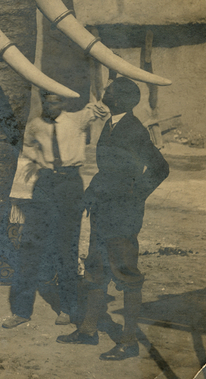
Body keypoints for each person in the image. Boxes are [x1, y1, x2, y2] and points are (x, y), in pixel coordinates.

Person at [57, 77, 169, 361]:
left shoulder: (133, 129)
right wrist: (92, 193)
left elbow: (160, 167)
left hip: (122, 216)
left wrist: (134, 197)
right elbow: (107, 171)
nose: (104, 92)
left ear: (121, 98)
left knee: (126, 276)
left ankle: (129, 341)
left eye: (109, 90)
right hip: (103, 213)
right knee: (95, 270)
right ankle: (88, 331)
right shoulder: (110, 124)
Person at [3, 92, 108, 330]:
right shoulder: (35, 125)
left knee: (66, 247)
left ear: (64, 103)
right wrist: (35, 162)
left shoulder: (78, 119)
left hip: (70, 184)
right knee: (30, 245)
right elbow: (27, 146)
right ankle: (20, 311)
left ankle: (67, 309)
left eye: (56, 101)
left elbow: (102, 107)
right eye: (47, 101)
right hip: (45, 183)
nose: (51, 105)